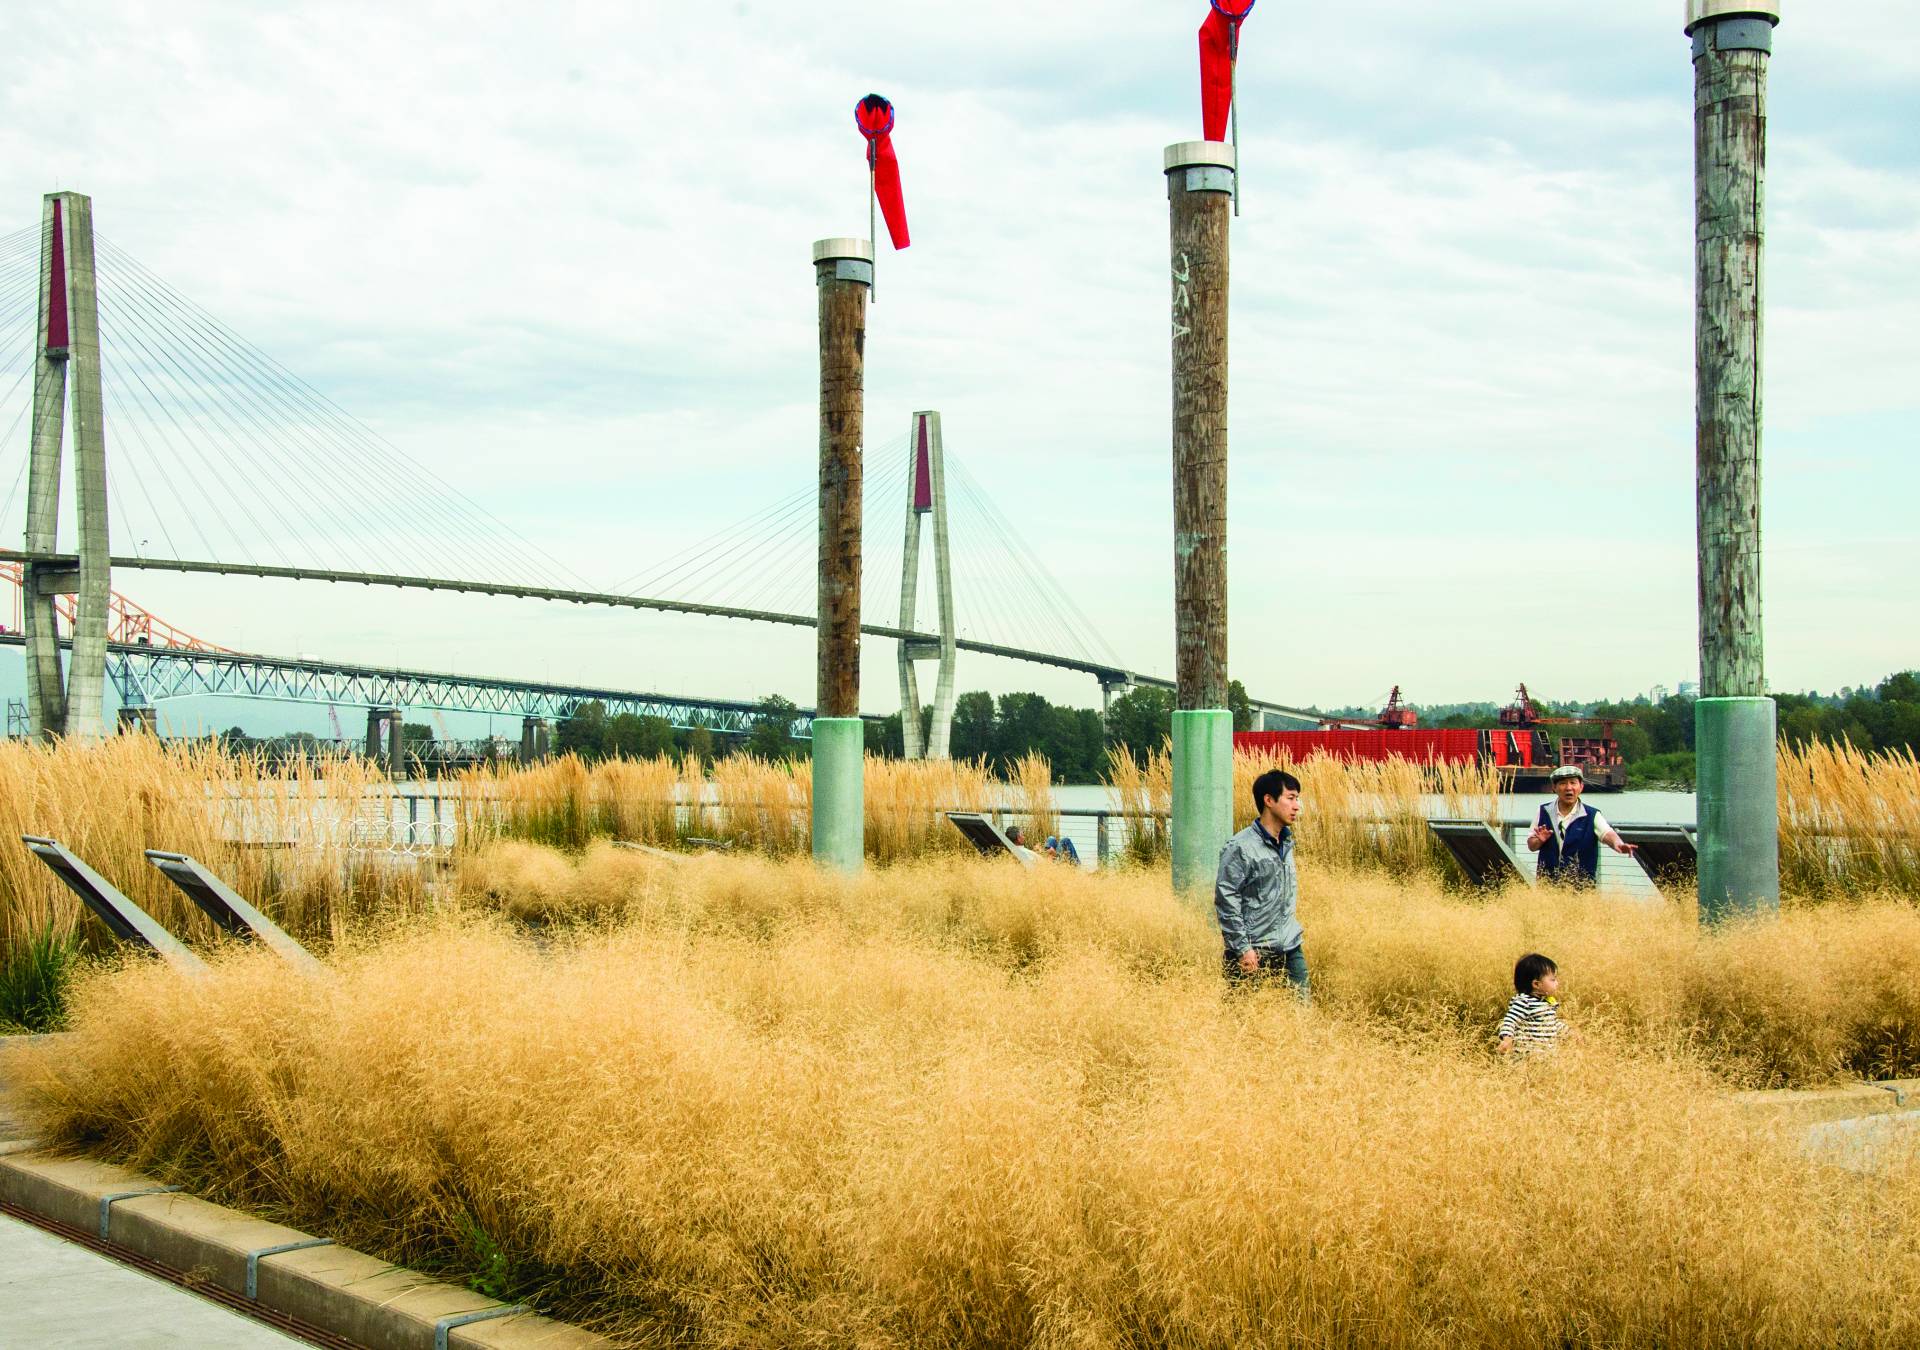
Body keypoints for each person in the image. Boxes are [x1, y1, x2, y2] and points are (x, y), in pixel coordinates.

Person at [1214, 768, 1308, 995]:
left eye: (1298, 799)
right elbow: (1227, 900)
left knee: (1301, 1016)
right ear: (1269, 800)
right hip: (1253, 951)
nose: (1297, 806)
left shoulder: (1286, 843)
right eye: (1291, 798)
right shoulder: (1240, 846)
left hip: (1289, 946)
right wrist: (1242, 948)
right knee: (1243, 1021)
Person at [1526, 765, 1636, 886]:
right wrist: (1539, 840)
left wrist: (1618, 844)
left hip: (1582, 886)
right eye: (1563, 783)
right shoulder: (1543, 811)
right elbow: (1531, 846)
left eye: (1573, 783)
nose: (1569, 788)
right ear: (1554, 787)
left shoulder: (1591, 814)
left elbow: (1607, 833)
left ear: (1581, 787)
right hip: (1547, 885)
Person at [1497, 952, 1568, 1056]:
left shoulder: (1546, 1002)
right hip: (1527, 1058)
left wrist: (1569, 1032)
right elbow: (1510, 1021)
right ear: (1536, 984)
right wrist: (1507, 1039)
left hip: (1547, 1058)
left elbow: (1552, 1022)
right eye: (1553, 979)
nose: (1557, 983)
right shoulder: (1524, 1002)